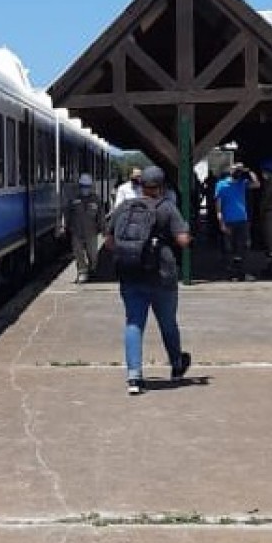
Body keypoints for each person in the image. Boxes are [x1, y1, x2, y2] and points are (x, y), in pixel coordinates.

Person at [104, 166, 192, 395]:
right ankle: (176, 366)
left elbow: (109, 243)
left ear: (140, 185)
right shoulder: (167, 208)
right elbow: (182, 240)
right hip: (163, 275)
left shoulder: (123, 208)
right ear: (161, 187)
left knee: (134, 323)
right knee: (168, 323)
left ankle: (134, 377)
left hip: (131, 275)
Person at [214, 162, 258, 281]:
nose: (238, 173)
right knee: (229, 249)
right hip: (228, 221)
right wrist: (221, 223)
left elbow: (256, 184)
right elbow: (218, 207)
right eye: (236, 170)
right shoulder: (221, 185)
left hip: (242, 220)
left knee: (242, 249)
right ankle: (231, 274)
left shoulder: (242, 183)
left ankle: (242, 273)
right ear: (230, 171)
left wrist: (248, 171)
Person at [63, 173, 104, 283]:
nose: (85, 189)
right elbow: (67, 213)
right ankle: (82, 272)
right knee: (78, 253)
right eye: (83, 186)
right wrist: (66, 227)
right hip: (76, 231)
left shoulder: (96, 199)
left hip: (91, 232)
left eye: (87, 186)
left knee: (93, 254)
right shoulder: (73, 199)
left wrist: (103, 229)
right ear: (80, 186)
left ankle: (93, 269)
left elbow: (100, 215)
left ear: (90, 187)